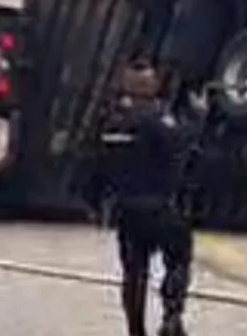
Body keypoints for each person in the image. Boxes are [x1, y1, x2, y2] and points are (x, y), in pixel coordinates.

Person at [84, 57, 208, 336]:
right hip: (160, 207)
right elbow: (182, 144)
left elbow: (94, 164)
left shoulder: (110, 122)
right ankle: (171, 317)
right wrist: (198, 117)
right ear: (150, 85)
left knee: (134, 274)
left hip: (126, 211)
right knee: (178, 258)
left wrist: (93, 203)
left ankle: (135, 330)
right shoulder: (157, 118)